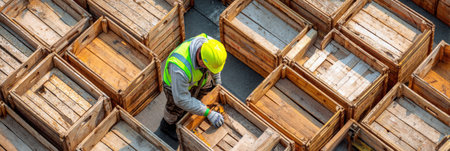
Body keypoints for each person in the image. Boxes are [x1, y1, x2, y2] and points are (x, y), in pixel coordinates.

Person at [159, 33, 227, 139]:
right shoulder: (179, 69)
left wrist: (217, 82)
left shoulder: (210, 46)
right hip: (174, 86)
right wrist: (208, 113)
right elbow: (181, 99)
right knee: (175, 108)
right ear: (201, 61)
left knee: (204, 92)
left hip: (197, 78)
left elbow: (215, 66)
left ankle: (191, 110)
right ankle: (167, 126)